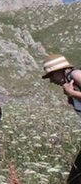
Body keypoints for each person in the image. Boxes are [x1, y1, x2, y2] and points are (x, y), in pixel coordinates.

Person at [41, 54, 81, 183]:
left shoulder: (75, 75)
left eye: (51, 76)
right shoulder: (70, 82)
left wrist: (72, 93)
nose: (52, 81)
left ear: (60, 71)